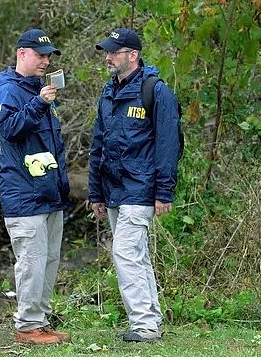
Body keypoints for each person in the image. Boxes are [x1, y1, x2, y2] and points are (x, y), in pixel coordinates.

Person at [88, 28, 181, 343]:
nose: (108, 57)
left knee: (125, 251)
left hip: (141, 188)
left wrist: (163, 192)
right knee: (135, 254)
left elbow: (169, 146)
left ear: (133, 55)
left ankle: (143, 326)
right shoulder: (109, 91)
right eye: (107, 51)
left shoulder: (156, 91)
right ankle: (151, 321)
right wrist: (95, 192)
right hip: (114, 189)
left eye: (114, 52)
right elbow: (97, 144)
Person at [0, 28, 71, 345]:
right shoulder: (9, 90)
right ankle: (27, 327)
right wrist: (38, 103)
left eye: (49, 56)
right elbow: (9, 128)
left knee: (48, 261)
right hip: (24, 194)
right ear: (22, 53)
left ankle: (40, 321)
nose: (46, 61)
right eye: (40, 55)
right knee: (31, 262)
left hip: (49, 192)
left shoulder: (39, 89)